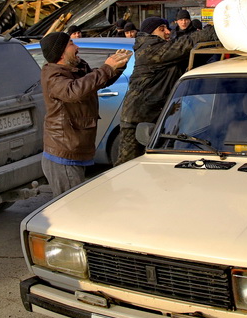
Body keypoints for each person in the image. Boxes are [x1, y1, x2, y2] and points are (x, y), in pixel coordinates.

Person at [39, 31, 129, 195]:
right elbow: (74, 91)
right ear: (60, 52)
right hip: (63, 154)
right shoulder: (53, 75)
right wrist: (107, 68)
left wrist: (118, 66)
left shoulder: (76, 67)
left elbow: (96, 81)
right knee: (70, 208)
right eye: (71, 44)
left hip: (77, 151)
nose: (77, 47)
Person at [116, 16, 217, 164]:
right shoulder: (150, 49)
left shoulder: (161, 49)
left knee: (155, 165)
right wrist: (214, 31)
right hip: (137, 119)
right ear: (150, 33)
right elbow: (186, 43)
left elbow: (190, 58)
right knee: (128, 165)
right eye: (162, 29)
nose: (168, 32)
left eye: (167, 28)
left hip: (158, 118)